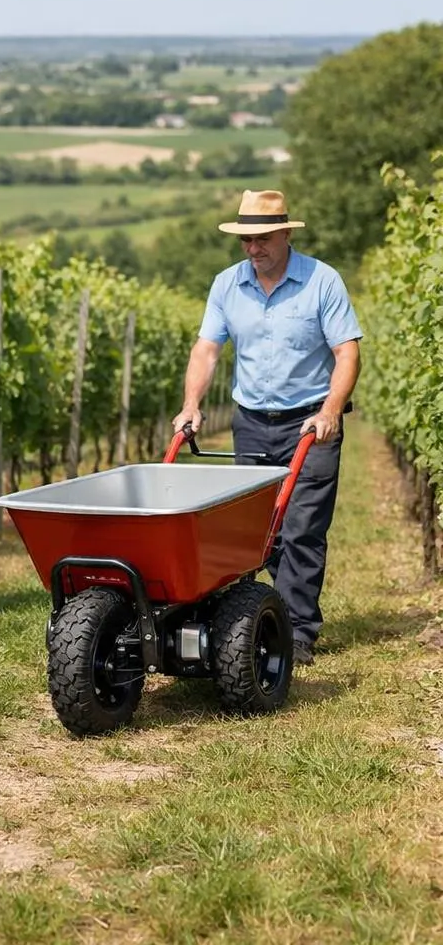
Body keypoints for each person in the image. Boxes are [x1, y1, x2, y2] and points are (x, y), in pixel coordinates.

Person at [172, 189, 362, 667]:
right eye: (245, 241)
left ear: (284, 234)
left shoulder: (322, 281)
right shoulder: (227, 285)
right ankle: (265, 614)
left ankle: (297, 631)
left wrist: (331, 410)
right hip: (252, 423)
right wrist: (191, 404)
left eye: (261, 239)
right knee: (261, 532)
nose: (253, 249)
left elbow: (346, 353)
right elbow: (207, 350)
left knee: (302, 529)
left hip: (309, 423)